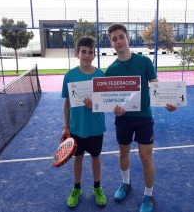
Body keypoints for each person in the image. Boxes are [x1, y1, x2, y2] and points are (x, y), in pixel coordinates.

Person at [105, 23, 177, 212]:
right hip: (123, 120)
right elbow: (109, 100)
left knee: (146, 158)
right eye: (114, 39)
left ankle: (148, 195)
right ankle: (126, 184)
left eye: (121, 37)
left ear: (128, 38)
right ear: (111, 43)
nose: (118, 41)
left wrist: (168, 103)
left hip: (144, 117)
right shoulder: (110, 70)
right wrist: (115, 109)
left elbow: (156, 86)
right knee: (124, 153)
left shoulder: (144, 62)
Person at [61, 36, 107, 208]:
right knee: (78, 158)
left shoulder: (101, 75)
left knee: (96, 157)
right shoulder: (70, 75)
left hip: (96, 127)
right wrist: (66, 126)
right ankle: (77, 189)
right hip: (76, 128)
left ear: (94, 55)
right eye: (83, 52)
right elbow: (67, 103)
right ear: (77, 53)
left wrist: (94, 104)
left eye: (90, 52)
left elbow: (105, 101)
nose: (87, 55)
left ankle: (97, 188)